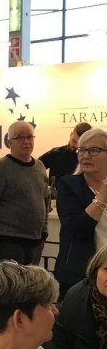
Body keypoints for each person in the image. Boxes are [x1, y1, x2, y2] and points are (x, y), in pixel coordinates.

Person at [0, 120, 49, 265]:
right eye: (20, 138)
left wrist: (44, 231)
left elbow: (45, 200)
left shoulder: (40, 166)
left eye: (29, 137)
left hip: (35, 241)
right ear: (10, 142)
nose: (26, 141)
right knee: (12, 280)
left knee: (32, 279)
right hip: (9, 241)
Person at [55, 128, 107, 298]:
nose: (85, 156)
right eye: (81, 150)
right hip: (79, 276)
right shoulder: (69, 185)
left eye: (94, 150)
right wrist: (102, 197)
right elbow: (76, 229)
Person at [40, 122, 92, 186]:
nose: (75, 146)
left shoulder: (91, 159)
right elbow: (35, 167)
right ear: (71, 134)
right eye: (74, 141)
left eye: (80, 144)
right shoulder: (56, 153)